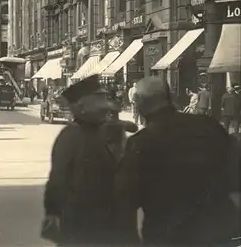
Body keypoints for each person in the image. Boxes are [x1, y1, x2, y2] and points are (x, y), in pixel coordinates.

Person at [114, 77, 240, 245]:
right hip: (217, 230)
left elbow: (126, 200)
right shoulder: (208, 125)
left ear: (140, 103)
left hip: (169, 235)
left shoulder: (141, 143)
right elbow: (234, 175)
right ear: (169, 97)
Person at [41, 75, 127, 246]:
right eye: (99, 102)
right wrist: (53, 212)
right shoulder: (71, 136)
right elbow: (58, 181)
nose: (106, 108)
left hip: (107, 221)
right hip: (81, 223)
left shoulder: (106, 132)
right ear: (82, 108)